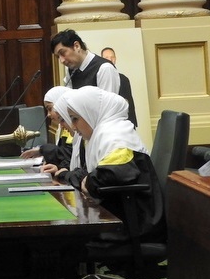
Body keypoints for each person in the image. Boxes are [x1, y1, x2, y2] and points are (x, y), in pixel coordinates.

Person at [62, 86, 164, 240]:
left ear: (91, 113)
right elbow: (95, 174)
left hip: (134, 225)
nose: (74, 127)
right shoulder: (102, 134)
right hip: (122, 217)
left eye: (75, 118)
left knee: (64, 239)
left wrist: (89, 181)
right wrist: (72, 176)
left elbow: (115, 173)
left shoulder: (115, 136)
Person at [20, 86, 73, 172]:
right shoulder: (62, 128)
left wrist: (43, 150)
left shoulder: (74, 128)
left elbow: (68, 154)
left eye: (50, 109)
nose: (48, 115)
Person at [51, 29, 120, 94]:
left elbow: (108, 104)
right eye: (58, 57)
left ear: (77, 46)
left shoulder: (105, 68)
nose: (61, 60)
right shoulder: (71, 70)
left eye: (63, 53)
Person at [100, 46, 138, 127]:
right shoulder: (98, 78)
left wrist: (132, 124)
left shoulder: (123, 79)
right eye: (106, 57)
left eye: (112, 57)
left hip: (124, 121)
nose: (110, 59)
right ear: (101, 59)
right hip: (106, 122)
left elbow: (129, 103)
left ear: (115, 59)